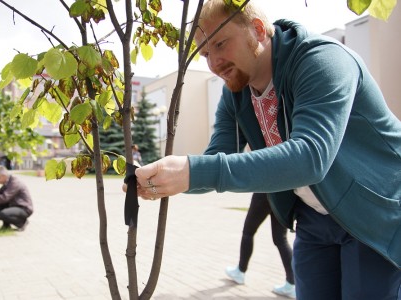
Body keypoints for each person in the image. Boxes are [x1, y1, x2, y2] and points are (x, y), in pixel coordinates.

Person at [130, 0, 401, 299]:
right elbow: (213, 160)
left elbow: (311, 157)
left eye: (221, 43)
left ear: (258, 30)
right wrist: (164, 175)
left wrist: (194, 172)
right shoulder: (235, 93)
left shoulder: (322, 60)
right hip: (313, 217)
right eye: (206, 53)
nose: (214, 63)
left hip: (373, 212)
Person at [225, 193, 295, 298]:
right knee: (281, 240)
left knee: (248, 233)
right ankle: (292, 283)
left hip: (264, 192)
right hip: (283, 195)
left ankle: (240, 271)